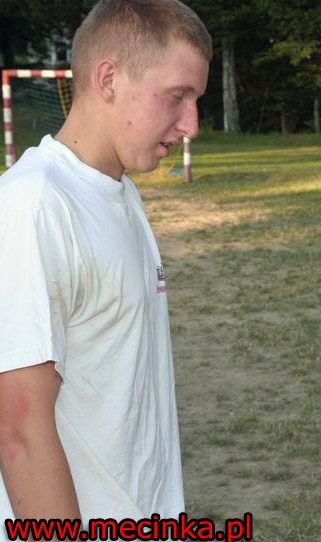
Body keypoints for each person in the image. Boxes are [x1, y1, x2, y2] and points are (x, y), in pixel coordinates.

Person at [0, 0, 211, 533]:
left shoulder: (118, 192)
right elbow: (19, 429)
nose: (192, 125)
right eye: (177, 96)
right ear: (109, 79)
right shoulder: (33, 207)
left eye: (197, 101)